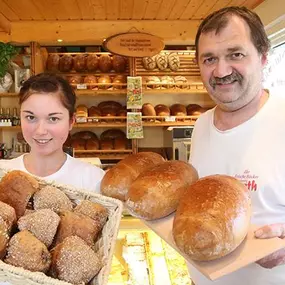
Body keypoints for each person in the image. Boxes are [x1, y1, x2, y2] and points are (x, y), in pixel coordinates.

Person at [188, 6, 285, 285]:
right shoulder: (201, 125)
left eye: (236, 54)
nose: (221, 70)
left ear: (263, 57)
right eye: (209, 59)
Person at [0, 73, 105, 193]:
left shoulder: (93, 181)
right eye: (30, 117)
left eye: (53, 119)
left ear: (71, 121)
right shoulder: (3, 173)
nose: (40, 131)